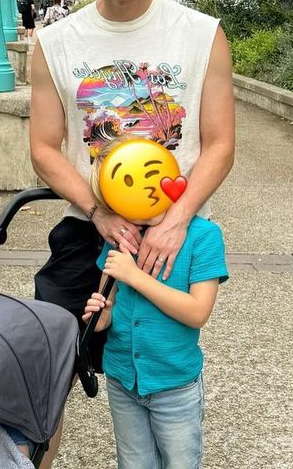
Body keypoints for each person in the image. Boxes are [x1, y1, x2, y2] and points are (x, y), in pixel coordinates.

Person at [29, 0, 235, 468]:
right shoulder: (56, 42)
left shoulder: (201, 35)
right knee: (50, 368)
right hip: (91, 227)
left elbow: (220, 145)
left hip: (173, 225)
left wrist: (176, 222)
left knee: (163, 360)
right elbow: (44, 149)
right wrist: (99, 212)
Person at [82, 137, 228, 469]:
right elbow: (110, 302)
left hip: (174, 385)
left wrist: (136, 277)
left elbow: (197, 312)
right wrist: (101, 316)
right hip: (122, 379)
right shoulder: (123, 239)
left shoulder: (203, 237)